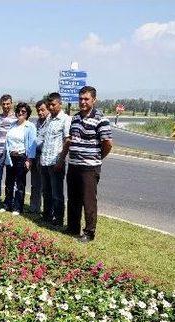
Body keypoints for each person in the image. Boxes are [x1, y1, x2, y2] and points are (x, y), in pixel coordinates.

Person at [58, 86, 113, 242]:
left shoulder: (101, 119)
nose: (82, 101)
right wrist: (64, 158)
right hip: (74, 165)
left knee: (88, 200)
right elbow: (70, 140)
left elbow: (108, 144)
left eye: (86, 99)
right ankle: (72, 227)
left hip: (89, 167)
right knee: (73, 198)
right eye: (80, 98)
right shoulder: (75, 118)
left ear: (94, 100)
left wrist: (97, 157)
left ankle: (89, 232)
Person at [41, 92, 71, 228]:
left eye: (53, 104)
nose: (51, 107)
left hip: (56, 163)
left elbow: (67, 141)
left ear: (60, 104)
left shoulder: (65, 119)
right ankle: (47, 215)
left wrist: (60, 160)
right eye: (49, 105)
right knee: (46, 192)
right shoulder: (49, 119)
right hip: (44, 161)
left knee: (57, 193)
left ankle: (58, 219)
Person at [1, 102, 37, 215]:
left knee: (20, 183)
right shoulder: (13, 125)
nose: (20, 113)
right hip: (10, 157)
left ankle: (17, 208)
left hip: (22, 157)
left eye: (23, 112)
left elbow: (32, 144)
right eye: (19, 111)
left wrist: (29, 160)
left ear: (27, 114)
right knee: (9, 182)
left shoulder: (30, 126)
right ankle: (7, 205)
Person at [0, 94, 17, 208]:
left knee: (12, 179)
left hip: (11, 154)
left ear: (11, 104)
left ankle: (11, 200)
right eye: (3, 104)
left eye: (8, 104)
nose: (6, 106)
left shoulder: (16, 119)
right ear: (1, 104)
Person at [29, 100, 49, 214]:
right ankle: (34, 207)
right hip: (35, 156)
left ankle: (47, 211)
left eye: (42, 110)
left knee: (45, 186)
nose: (40, 112)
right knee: (35, 184)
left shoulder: (51, 122)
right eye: (38, 110)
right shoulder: (38, 122)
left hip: (45, 157)